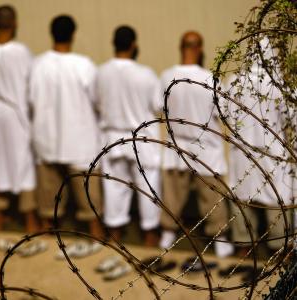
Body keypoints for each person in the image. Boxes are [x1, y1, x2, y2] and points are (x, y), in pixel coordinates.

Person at [29, 15, 104, 249]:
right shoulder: (85, 65)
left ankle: (47, 247)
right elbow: (97, 101)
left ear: (51, 33)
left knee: (48, 207)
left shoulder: (37, 65)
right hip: (80, 142)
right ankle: (97, 240)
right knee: (90, 204)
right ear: (73, 34)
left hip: (46, 140)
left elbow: (30, 100)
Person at [159, 31, 233, 257]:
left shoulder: (166, 77)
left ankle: (168, 232)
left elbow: (158, 107)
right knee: (211, 195)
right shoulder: (210, 79)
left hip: (178, 145)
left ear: (181, 47)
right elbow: (225, 114)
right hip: (206, 147)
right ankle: (219, 237)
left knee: (173, 193)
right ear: (199, 49)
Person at [227, 37, 293, 257]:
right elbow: (291, 119)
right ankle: (280, 251)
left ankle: (245, 250)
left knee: (243, 199)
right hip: (272, 154)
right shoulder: (279, 85)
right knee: (276, 199)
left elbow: (225, 115)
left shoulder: (234, 82)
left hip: (242, 153)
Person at [97, 26, 161, 247]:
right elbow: (158, 106)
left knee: (114, 187)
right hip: (142, 138)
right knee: (148, 186)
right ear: (134, 44)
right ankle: (150, 235)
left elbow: (96, 103)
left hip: (112, 137)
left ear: (113, 42)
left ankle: (115, 233)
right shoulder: (146, 74)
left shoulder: (101, 72)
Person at [0, 5, 38, 233]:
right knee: (23, 164)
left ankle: (0, 215)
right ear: (14, 23)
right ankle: (29, 218)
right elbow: (30, 85)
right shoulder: (21, 52)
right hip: (16, 114)